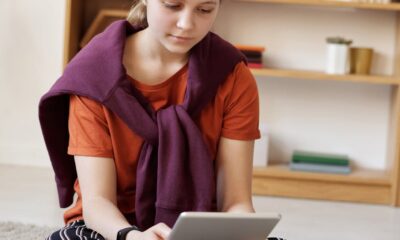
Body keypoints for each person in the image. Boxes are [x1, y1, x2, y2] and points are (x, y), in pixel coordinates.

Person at [40, 0, 260, 239]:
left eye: (204, 10)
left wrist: (244, 231)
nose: (186, 24)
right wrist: (133, 236)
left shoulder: (232, 75)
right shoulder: (93, 76)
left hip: (199, 228)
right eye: (172, 5)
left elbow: (236, 202)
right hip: (113, 226)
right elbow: (97, 203)